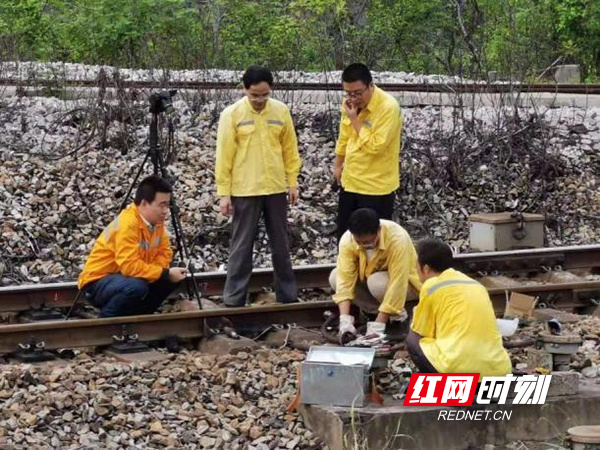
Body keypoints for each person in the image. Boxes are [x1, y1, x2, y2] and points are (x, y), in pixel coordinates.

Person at [215, 65, 301, 307]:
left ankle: (288, 295)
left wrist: (292, 182)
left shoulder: (281, 111)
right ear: (244, 89)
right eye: (254, 95)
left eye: (265, 95)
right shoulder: (232, 114)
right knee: (241, 245)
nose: (260, 100)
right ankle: (234, 299)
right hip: (245, 189)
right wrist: (224, 193)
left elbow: (290, 149)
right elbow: (224, 156)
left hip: (275, 188)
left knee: (281, 245)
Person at [78, 176, 187, 318]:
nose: (166, 210)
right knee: (137, 286)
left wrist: (160, 273)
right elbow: (129, 266)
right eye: (162, 205)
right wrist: (162, 273)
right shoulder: (128, 224)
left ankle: (137, 320)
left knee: (170, 278)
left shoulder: (156, 223)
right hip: (97, 282)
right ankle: (105, 322)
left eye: (167, 205)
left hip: (127, 278)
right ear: (144, 203)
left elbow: (164, 252)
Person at [407, 238, 512, 376]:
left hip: (459, 371)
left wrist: (415, 314)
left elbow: (421, 330)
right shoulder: (476, 285)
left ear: (426, 269)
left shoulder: (431, 285)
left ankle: (440, 385)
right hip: (499, 371)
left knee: (413, 338)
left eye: (416, 266)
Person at [333, 63, 402, 242]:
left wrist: (355, 120)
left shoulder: (388, 107)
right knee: (346, 239)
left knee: (374, 242)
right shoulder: (349, 104)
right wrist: (338, 164)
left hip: (376, 187)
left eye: (357, 93)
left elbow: (376, 147)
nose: (353, 99)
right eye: (348, 93)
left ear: (370, 85)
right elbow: (344, 135)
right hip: (351, 182)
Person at [330, 208, 422, 340]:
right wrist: (344, 320)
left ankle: (397, 317)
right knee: (335, 276)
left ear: (378, 230)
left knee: (376, 283)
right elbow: (345, 279)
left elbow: (398, 282)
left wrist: (378, 326)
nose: (364, 246)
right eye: (359, 242)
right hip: (374, 283)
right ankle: (373, 313)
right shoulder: (348, 240)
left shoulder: (397, 239)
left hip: (406, 285)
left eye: (367, 242)